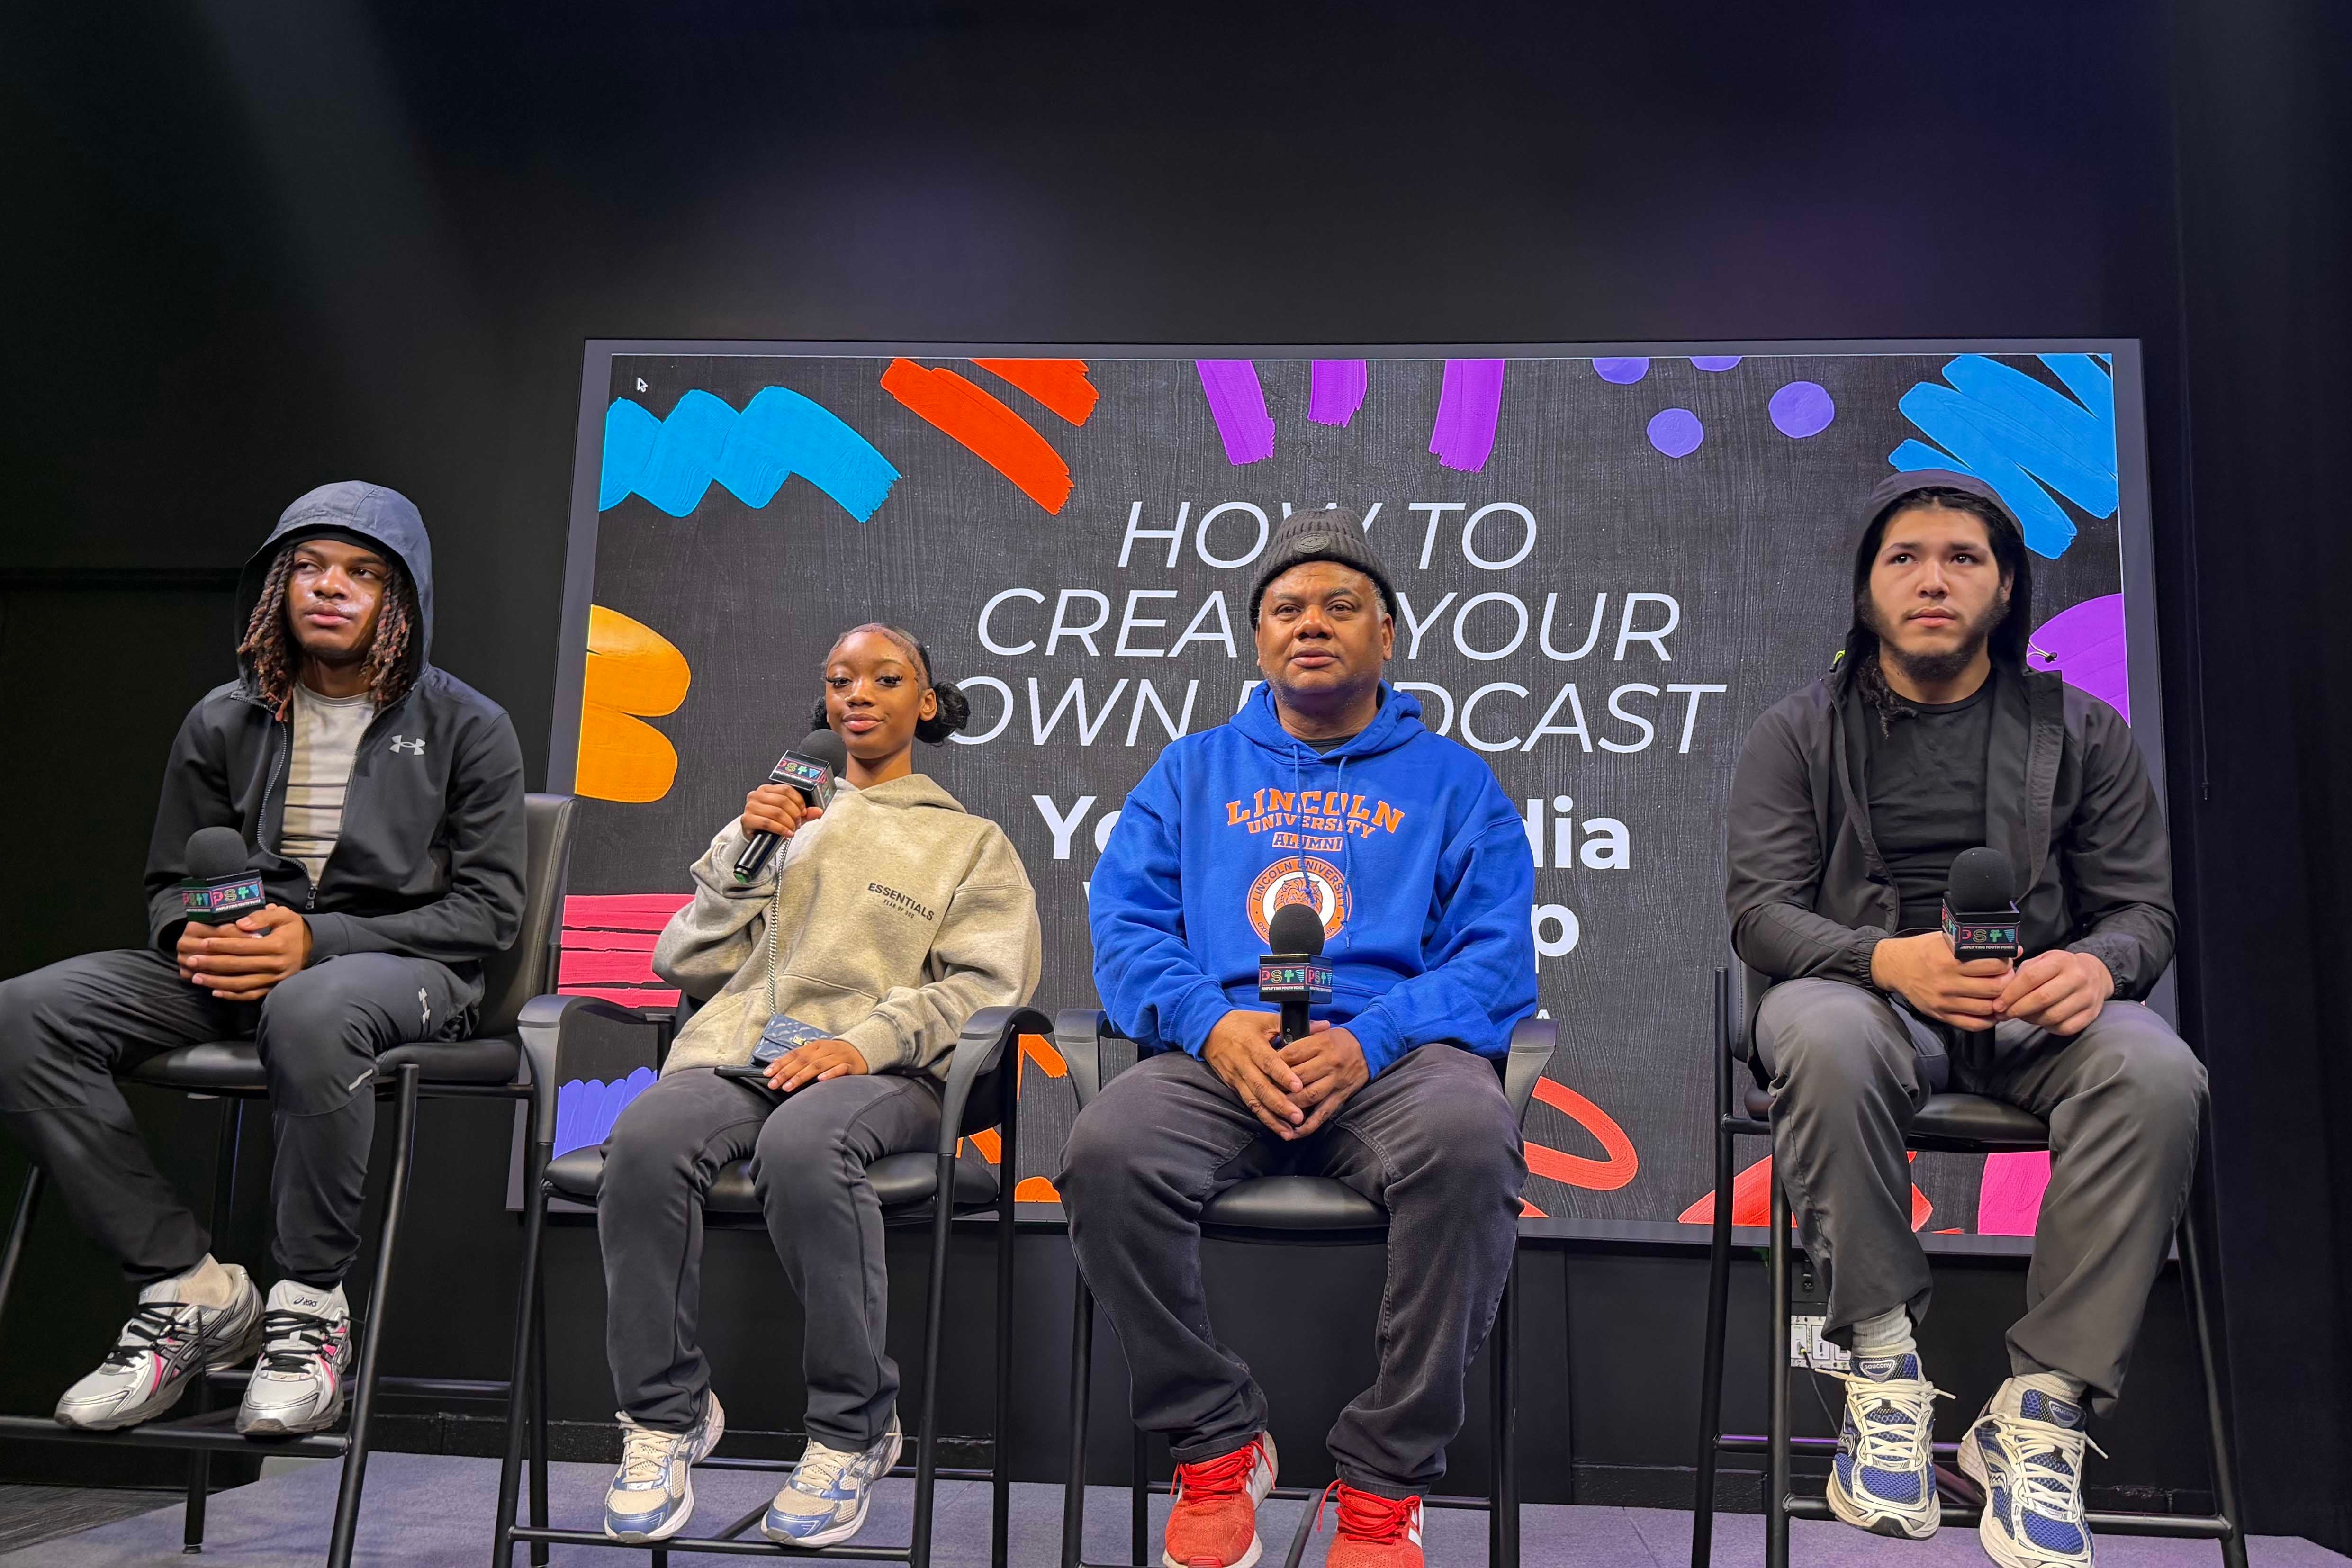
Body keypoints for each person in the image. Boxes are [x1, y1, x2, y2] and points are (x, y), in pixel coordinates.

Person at [1725, 470, 2205, 1568]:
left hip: (2036, 1016)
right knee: (1818, 1030)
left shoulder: (2080, 729)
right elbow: (1760, 915)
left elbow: (2143, 907)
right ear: (1864, 589)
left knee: (2154, 1067)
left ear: (2003, 589)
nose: (1931, 578)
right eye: (1903, 557)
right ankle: (1881, 1371)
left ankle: (2038, 1408)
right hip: (1868, 1003)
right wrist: (1883, 957)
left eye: (1961, 558)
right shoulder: (1795, 733)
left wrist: (2097, 963)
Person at [0, 481, 527, 1437]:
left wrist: (315, 939)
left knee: (312, 1007)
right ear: (278, 585)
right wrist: (188, 933)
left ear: (401, 599)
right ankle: (192, 1288)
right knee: (22, 1013)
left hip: (403, 973)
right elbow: (172, 878)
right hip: (245, 975)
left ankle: (310, 1311)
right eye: (311, 567)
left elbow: (488, 911)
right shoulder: (221, 720)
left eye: (362, 572)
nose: (331, 587)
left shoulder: (469, 727)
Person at [1063, 510, 1537, 1568]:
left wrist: (1371, 1039)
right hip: (1217, 1053)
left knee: (1471, 1138)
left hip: (1392, 1062)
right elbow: (1127, 934)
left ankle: (1381, 1480)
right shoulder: (1188, 772)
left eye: (1338, 605)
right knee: (1106, 1150)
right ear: (1256, 637)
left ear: (1387, 632)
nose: (1309, 624)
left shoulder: (1455, 783)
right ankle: (1215, 1436)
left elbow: (1497, 962)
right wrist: (1210, 1022)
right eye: (1285, 608)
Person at [594, 624, 1041, 1549]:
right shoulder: (775, 816)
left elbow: (987, 986)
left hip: (887, 1074)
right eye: (839, 679)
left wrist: (864, 1039)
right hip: (744, 1054)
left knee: (804, 1144)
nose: (858, 694)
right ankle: (664, 1415)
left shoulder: (967, 840)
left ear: (925, 701)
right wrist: (747, 854)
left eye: (885, 678)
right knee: (641, 1136)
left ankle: (852, 1425)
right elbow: (682, 955)